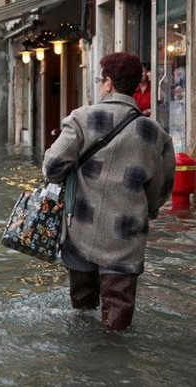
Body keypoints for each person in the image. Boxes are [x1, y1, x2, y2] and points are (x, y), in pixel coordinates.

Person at [42, 53, 176, 331]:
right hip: (126, 235)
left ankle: (84, 368)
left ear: (108, 84)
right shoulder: (154, 132)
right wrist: (147, 210)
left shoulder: (80, 119)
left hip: (80, 229)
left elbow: (52, 166)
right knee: (117, 318)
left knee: (82, 312)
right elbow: (161, 188)